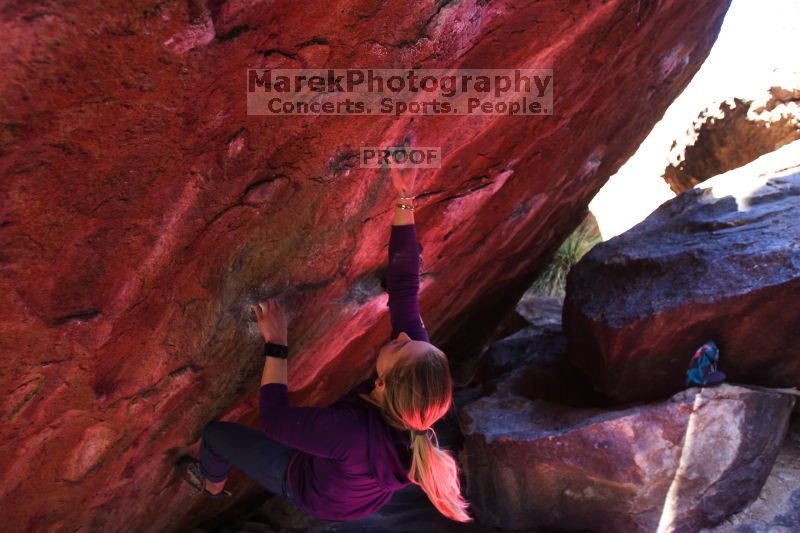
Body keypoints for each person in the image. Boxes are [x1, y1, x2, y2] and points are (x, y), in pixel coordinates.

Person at [179, 164, 473, 523]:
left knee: (215, 436)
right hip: (362, 492)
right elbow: (405, 288)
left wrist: (276, 342)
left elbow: (274, 420)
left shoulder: (350, 433)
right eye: (416, 341)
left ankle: (210, 485)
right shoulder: (415, 388)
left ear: (381, 385)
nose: (405, 334)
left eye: (400, 345)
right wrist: (405, 199)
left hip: (312, 490)